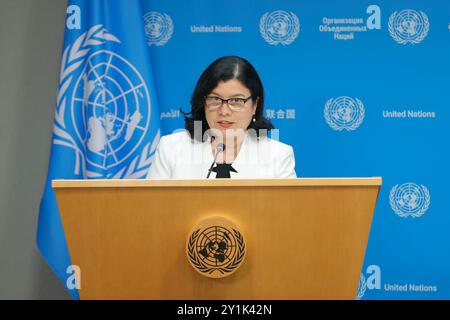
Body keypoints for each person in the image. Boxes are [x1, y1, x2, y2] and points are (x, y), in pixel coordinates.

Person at [146, 56, 297, 179]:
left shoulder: (278, 155)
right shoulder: (171, 148)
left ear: (255, 105)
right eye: (215, 99)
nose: (224, 111)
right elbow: (150, 211)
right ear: (203, 101)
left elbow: (288, 214)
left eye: (236, 101)